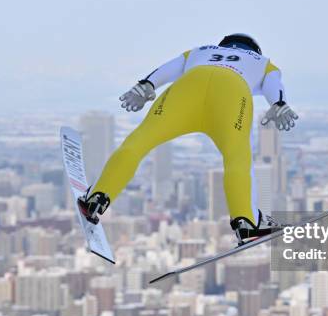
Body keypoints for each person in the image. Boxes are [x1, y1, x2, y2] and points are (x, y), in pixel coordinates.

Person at [77, 33, 298, 243]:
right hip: (231, 93)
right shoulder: (263, 62)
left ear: (223, 45)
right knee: (237, 159)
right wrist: (279, 104)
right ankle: (246, 222)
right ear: (255, 50)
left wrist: (145, 85)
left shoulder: (199, 51)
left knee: (139, 142)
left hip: (188, 87)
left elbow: (167, 69)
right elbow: (273, 85)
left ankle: (97, 198)